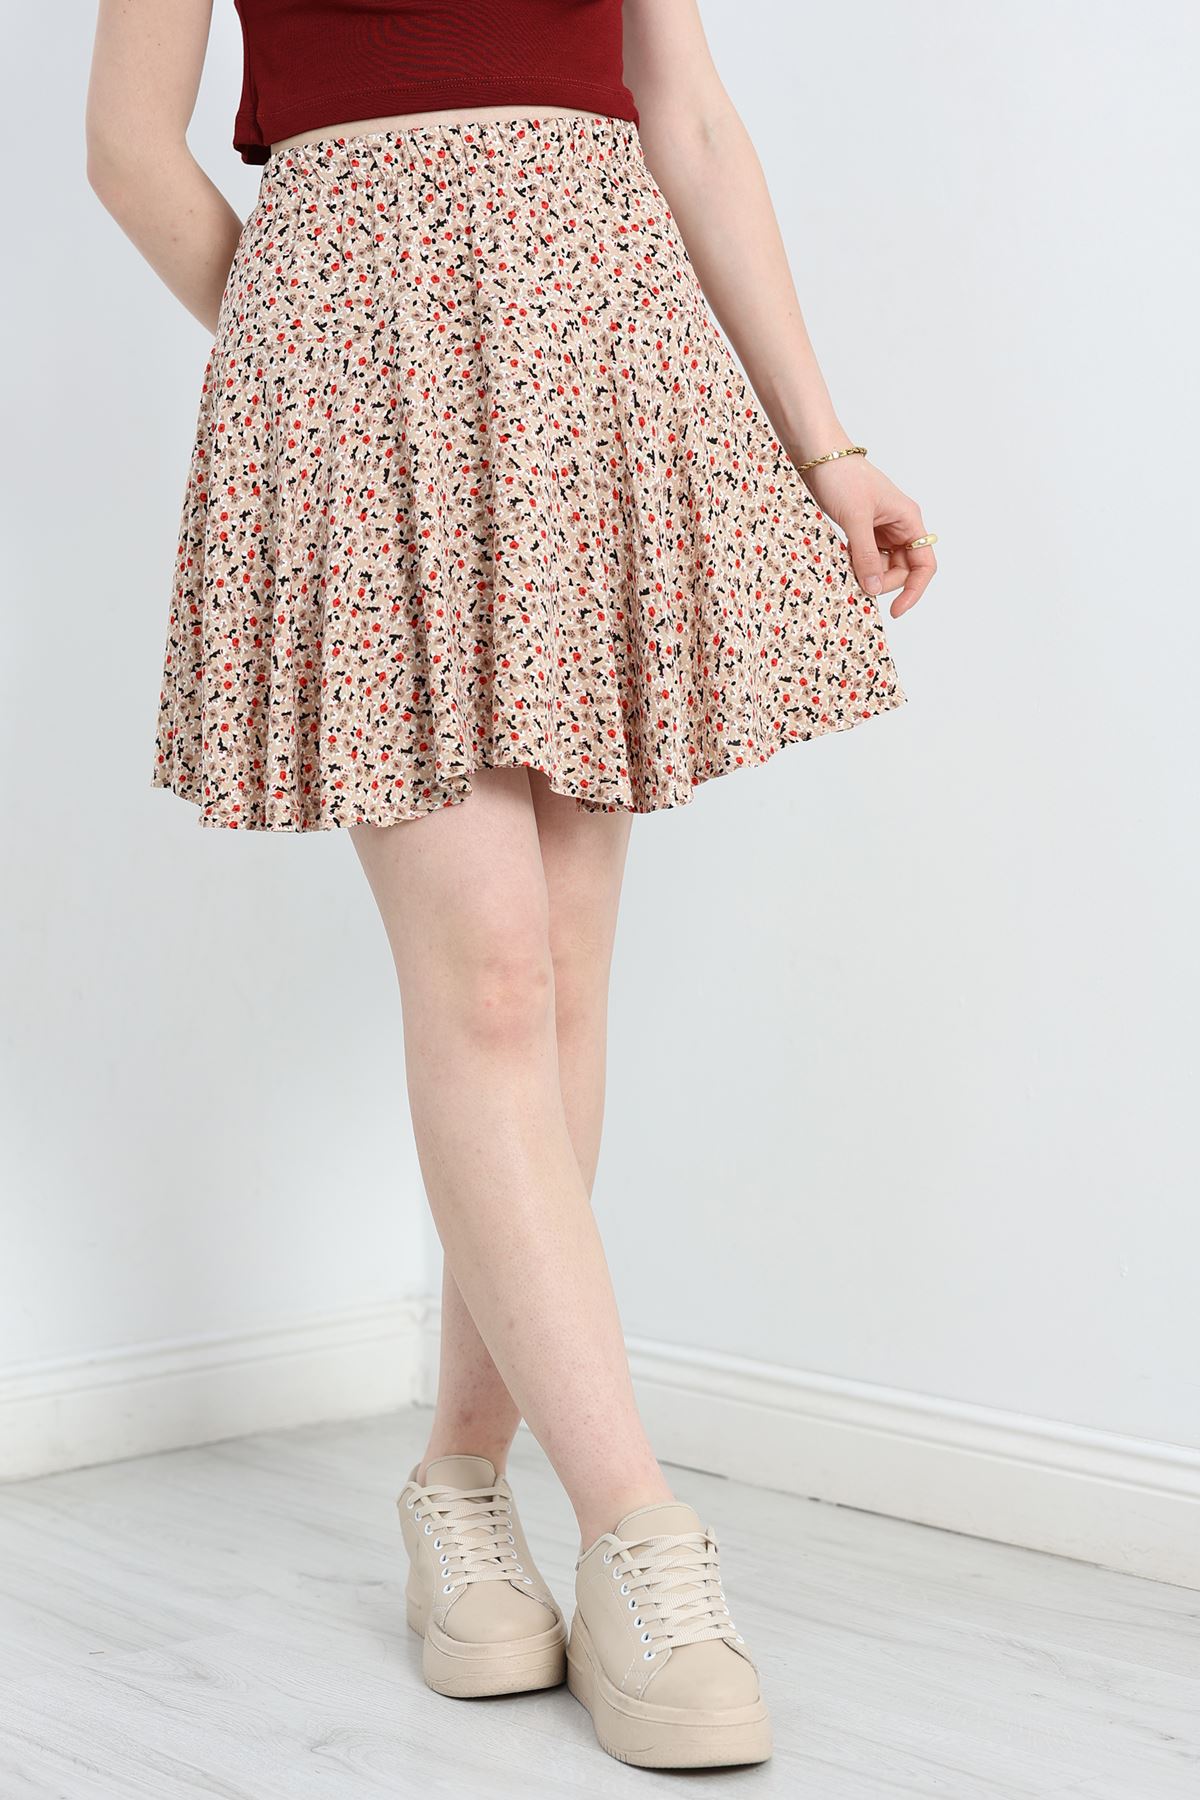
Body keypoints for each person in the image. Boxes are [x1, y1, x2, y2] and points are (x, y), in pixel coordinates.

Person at [86, 0, 935, 1770]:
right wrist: (308, 348)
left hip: (593, 346)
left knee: (560, 971)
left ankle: (460, 1489)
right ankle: (640, 1531)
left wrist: (828, 444)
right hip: (358, 359)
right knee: (484, 977)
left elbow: (686, 112)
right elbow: (127, 145)